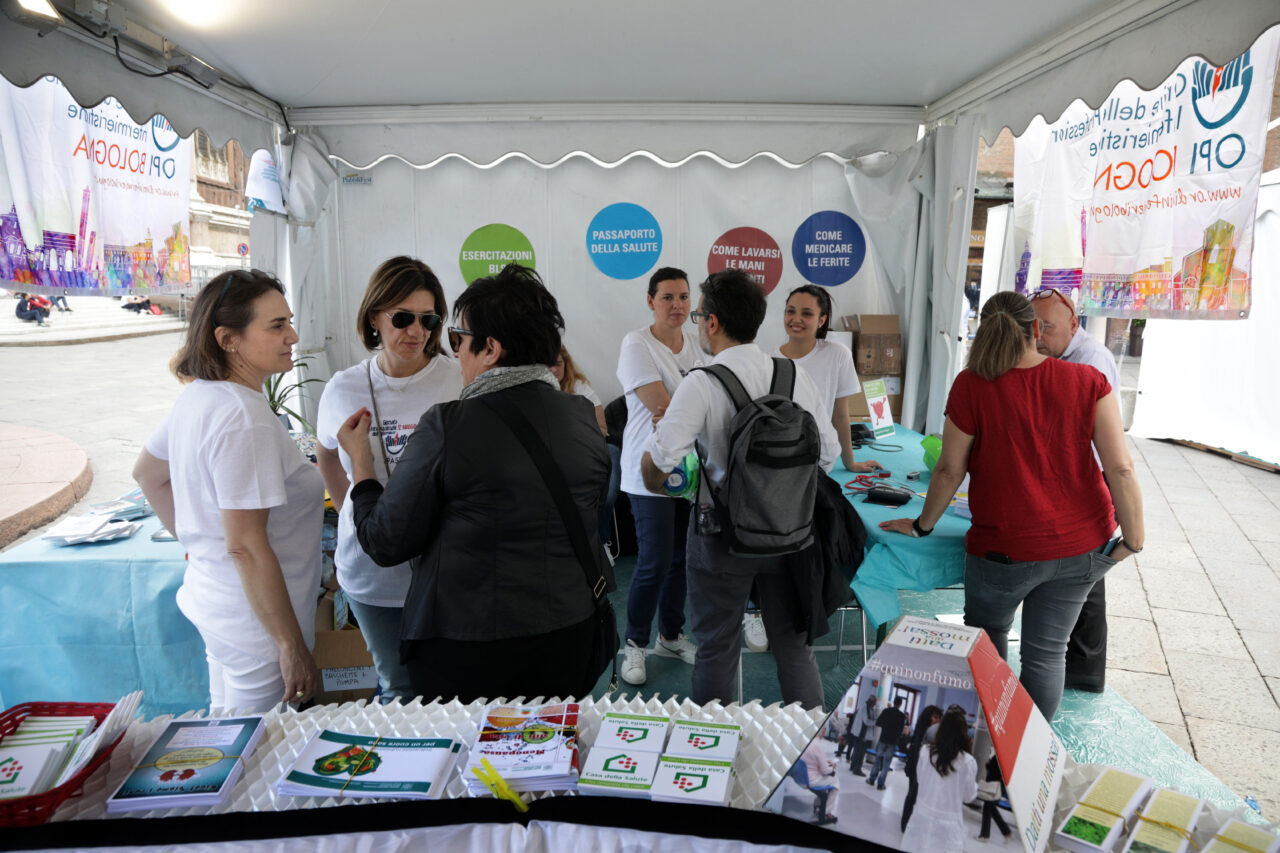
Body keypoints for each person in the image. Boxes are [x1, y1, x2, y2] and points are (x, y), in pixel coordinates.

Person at [337, 264, 611, 704]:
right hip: (570, 636)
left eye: (455, 339)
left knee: (470, 768)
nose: (452, 352)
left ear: (491, 350)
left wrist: (361, 464)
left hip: (471, 650)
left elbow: (384, 541)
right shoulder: (583, 418)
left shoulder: (449, 425)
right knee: (549, 759)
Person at [882, 291, 1145, 719]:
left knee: (987, 645)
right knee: (1047, 655)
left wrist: (921, 525)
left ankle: (987, 738)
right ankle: (1028, 757)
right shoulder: (1086, 381)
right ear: (1036, 330)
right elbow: (1121, 468)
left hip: (1004, 549)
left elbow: (950, 469)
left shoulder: (972, 385)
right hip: (1080, 544)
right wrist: (1132, 541)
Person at [641, 268, 839, 709]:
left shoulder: (703, 381)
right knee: (794, 646)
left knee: (716, 647)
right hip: (791, 535)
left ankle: (715, 754)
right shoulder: (791, 374)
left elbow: (660, 463)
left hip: (720, 535)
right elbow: (829, 453)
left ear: (711, 323)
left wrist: (654, 471)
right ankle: (806, 753)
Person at [132, 270, 324, 713]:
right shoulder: (243, 417)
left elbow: (148, 474)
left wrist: (201, 543)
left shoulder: (201, 395)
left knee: (231, 739)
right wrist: (290, 646)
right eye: (276, 326)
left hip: (222, 606)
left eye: (288, 322)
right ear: (228, 339)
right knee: (257, 757)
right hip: (256, 629)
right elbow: (245, 546)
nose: (292, 335)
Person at [315, 257, 463, 702]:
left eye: (428, 319)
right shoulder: (344, 388)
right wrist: (356, 518)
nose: (416, 332)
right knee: (397, 687)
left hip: (445, 570)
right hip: (372, 576)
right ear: (374, 317)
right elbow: (326, 454)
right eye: (402, 318)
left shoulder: (456, 381)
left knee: (451, 686)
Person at [758, 284, 883, 652]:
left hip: (820, 467)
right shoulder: (768, 361)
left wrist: (850, 460)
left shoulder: (837, 355)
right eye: (790, 311)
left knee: (811, 544)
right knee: (775, 543)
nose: (796, 320)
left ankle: (805, 612)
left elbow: (840, 412)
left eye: (807, 313)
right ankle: (759, 612)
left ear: (822, 320)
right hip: (780, 473)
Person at [616, 266, 705, 686]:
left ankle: (670, 635)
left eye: (684, 297)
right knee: (652, 562)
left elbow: (689, 410)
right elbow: (662, 404)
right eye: (667, 297)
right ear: (650, 301)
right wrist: (689, 410)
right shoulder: (636, 343)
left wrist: (682, 411)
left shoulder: (700, 347)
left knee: (678, 562)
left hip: (688, 473)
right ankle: (634, 644)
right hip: (648, 472)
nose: (677, 305)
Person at [1031, 287, 1121, 695]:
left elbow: (1092, 440)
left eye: (1047, 327)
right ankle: (1071, 660)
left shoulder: (1090, 361)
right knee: (1074, 573)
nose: (1038, 337)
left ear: (1073, 324)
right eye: (1033, 327)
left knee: (1087, 574)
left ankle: (1084, 668)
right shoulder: (1060, 355)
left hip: (1090, 478)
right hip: (1071, 476)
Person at [551, 345, 615, 546]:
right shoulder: (535, 392)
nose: (553, 370)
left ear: (566, 364)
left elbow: (602, 428)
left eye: (558, 364)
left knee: (608, 492)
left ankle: (601, 544)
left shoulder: (579, 387)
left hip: (588, 451)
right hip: (559, 457)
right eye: (547, 365)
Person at [900, 706, 979, 853]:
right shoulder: (968, 762)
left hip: (921, 818)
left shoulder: (926, 752)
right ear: (963, 733)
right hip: (948, 828)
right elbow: (969, 797)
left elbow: (920, 780)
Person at [900, 704, 943, 832]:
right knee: (912, 796)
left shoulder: (932, 732)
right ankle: (905, 824)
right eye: (935, 717)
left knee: (916, 797)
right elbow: (916, 752)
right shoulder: (923, 731)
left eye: (939, 717)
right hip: (916, 768)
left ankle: (910, 822)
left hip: (923, 769)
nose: (937, 720)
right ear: (928, 717)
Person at [866, 696, 907, 790]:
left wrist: (885, 726)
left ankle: (872, 779)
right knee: (886, 763)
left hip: (883, 739)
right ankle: (880, 784)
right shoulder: (902, 716)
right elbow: (900, 731)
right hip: (892, 742)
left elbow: (878, 723)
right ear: (900, 704)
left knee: (877, 760)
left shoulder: (886, 711)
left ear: (893, 702)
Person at [977, 753, 1013, 841]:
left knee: (988, 807)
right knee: (991, 808)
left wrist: (988, 765)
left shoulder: (1000, 755)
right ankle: (1006, 832)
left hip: (995, 786)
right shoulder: (1007, 755)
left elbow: (993, 769)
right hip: (998, 786)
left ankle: (984, 835)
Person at [848, 693, 879, 775]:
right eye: (875, 702)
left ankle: (853, 766)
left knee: (857, 751)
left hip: (860, 734)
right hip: (861, 735)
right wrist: (876, 722)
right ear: (872, 701)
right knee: (860, 753)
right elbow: (866, 721)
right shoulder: (866, 708)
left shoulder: (868, 708)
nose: (876, 703)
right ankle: (857, 770)